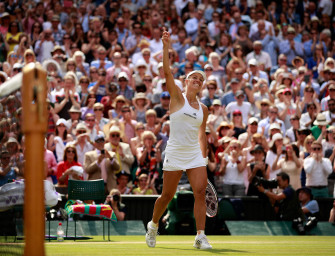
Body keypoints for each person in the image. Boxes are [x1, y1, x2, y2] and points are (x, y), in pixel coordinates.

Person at [146, 29, 212, 250]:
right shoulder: (176, 97)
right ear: (186, 81)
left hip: (194, 153)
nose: (197, 80)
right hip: (174, 151)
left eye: (200, 79)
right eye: (194, 77)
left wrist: (204, 157)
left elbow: (202, 134)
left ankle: (200, 236)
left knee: (200, 192)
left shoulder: (204, 108)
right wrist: (166, 47)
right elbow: (166, 72)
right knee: (166, 195)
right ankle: (153, 226)